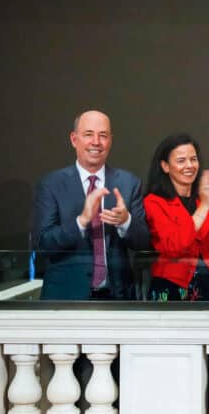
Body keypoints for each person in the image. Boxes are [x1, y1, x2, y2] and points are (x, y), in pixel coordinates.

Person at [33, 110, 149, 300]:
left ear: (110, 140)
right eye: (88, 134)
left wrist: (125, 221)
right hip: (66, 298)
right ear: (74, 139)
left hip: (117, 298)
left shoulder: (129, 183)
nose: (96, 141)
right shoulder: (51, 184)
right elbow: (43, 244)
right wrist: (81, 221)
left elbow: (144, 242)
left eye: (103, 135)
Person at [143, 134, 209, 301]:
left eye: (193, 159)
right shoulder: (154, 202)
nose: (189, 166)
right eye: (181, 161)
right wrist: (203, 207)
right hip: (172, 286)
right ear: (165, 166)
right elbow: (174, 246)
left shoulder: (206, 199)